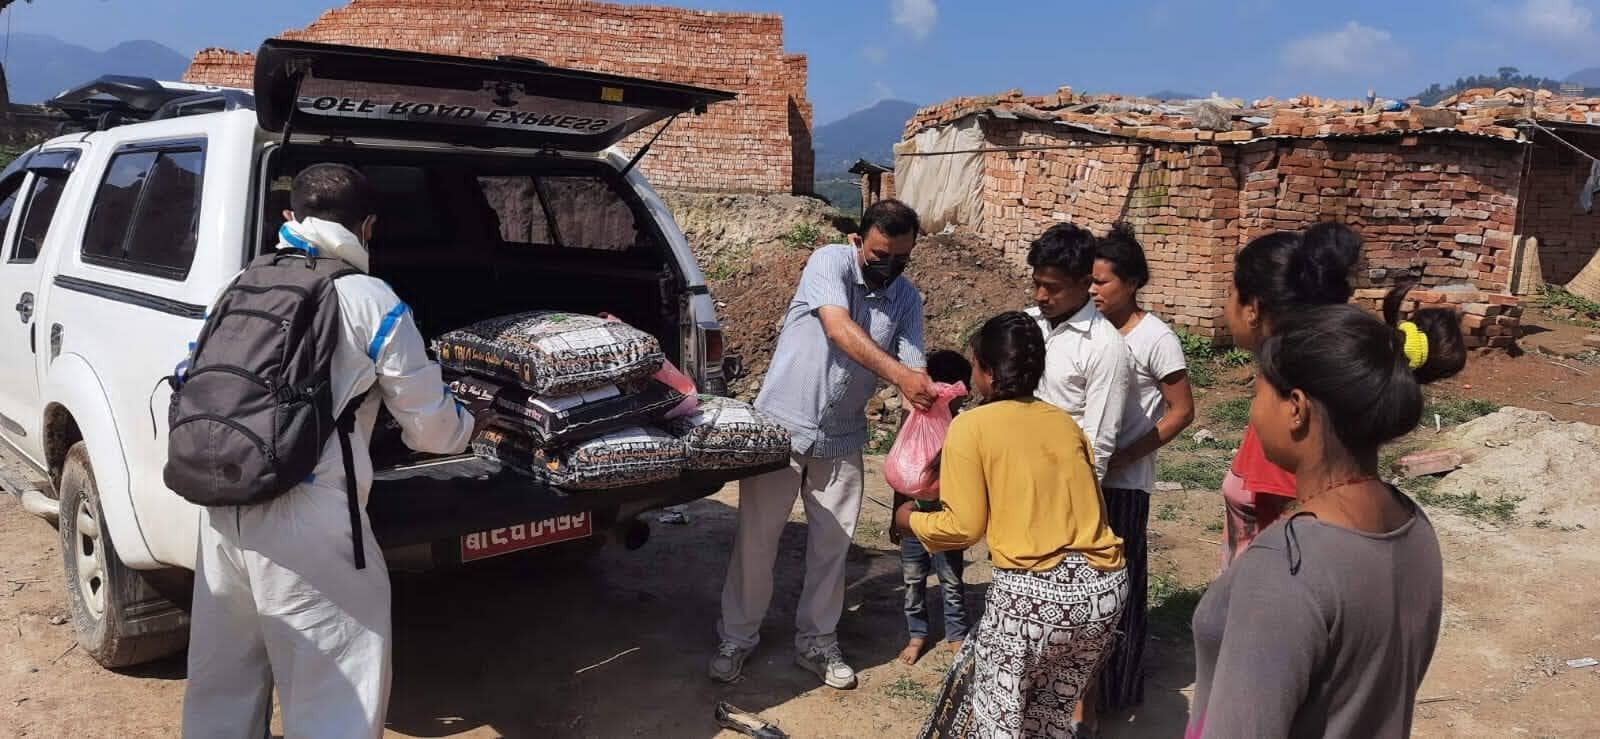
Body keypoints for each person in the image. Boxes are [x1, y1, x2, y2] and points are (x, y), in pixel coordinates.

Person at [183, 164, 484, 736]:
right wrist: (472, 422)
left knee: (222, 683)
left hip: (222, 508)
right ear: (367, 227)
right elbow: (432, 432)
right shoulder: (370, 298)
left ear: (289, 219)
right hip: (312, 517)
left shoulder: (239, 283)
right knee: (334, 695)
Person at [1188, 304, 1445, 737]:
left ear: (1297, 409)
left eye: (1258, 392)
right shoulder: (1413, 525)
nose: (1252, 413)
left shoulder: (1285, 565)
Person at [712, 198, 936, 689]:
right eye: (881, 256)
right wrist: (900, 375)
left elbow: (915, 365)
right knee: (757, 540)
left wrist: (926, 402)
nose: (890, 268)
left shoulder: (906, 299)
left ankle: (817, 641)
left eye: (902, 259)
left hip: (842, 437)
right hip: (781, 428)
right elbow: (838, 328)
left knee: (833, 549)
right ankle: (737, 636)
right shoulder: (828, 262)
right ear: (859, 242)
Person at [896, 311, 1127, 739]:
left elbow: (963, 528)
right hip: (1103, 591)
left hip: (1033, 597)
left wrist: (912, 520)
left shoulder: (971, 426)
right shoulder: (1063, 423)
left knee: (997, 723)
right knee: (1048, 720)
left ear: (985, 372)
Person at [1078, 223, 1196, 727]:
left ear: (1130, 283)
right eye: (1089, 281)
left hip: (1123, 483)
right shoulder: (1089, 329)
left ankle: (1117, 688)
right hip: (1083, 478)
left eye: (1101, 282)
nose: (1092, 290)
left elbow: (1181, 411)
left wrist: (1128, 454)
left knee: (1119, 587)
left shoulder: (1156, 339)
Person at [1026, 223, 1131, 483]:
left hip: (1060, 481)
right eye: (1037, 284)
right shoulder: (1026, 325)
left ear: (1085, 283)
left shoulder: (1104, 345)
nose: (1040, 296)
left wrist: (1079, 498)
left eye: (1052, 288)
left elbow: (1098, 441)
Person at [894, 349, 973, 666]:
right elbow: (900, 473)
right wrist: (895, 516)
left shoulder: (962, 426)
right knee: (913, 580)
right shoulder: (915, 422)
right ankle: (917, 634)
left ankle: (956, 635)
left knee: (951, 581)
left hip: (946, 519)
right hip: (914, 520)